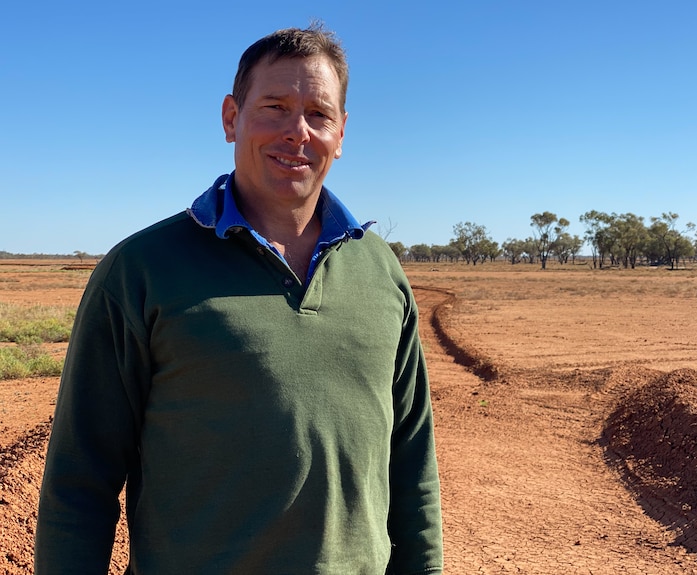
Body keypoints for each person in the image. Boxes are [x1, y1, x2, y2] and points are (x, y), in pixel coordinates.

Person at [35, 24, 443, 575]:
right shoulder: (143, 270)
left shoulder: (380, 270)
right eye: (274, 106)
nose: (297, 131)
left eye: (319, 114)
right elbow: (79, 481)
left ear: (341, 133)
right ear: (231, 118)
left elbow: (412, 463)